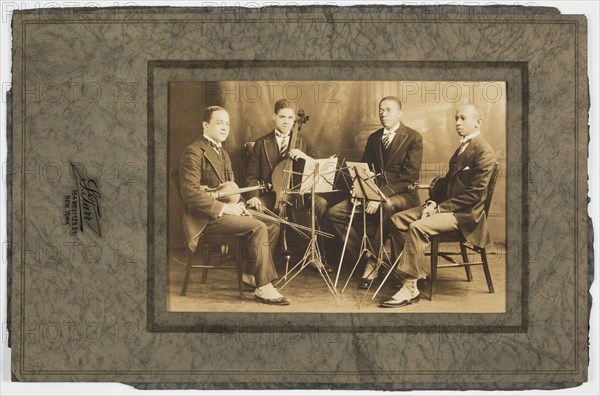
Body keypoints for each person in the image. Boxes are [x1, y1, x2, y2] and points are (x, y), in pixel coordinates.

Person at [380, 104, 496, 308]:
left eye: (462, 118)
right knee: (397, 220)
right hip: (446, 207)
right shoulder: (462, 148)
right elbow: (446, 183)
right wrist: (433, 201)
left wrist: (439, 209)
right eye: (456, 118)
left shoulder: (484, 150)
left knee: (416, 228)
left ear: (477, 122)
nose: (457, 123)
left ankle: (409, 288)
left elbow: (475, 194)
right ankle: (413, 274)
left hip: (465, 215)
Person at [179, 105, 291, 306]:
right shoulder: (193, 152)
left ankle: (250, 274)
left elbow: (231, 190)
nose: (225, 128)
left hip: (224, 214)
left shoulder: (224, 154)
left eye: (227, 123)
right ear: (205, 125)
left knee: (273, 223)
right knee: (257, 226)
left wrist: (242, 205)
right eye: (219, 123)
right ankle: (264, 287)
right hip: (205, 218)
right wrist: (226, 209)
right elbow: (190, 195)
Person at [327, 96, 423, 289]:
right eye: (381, 110)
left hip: (403, 195)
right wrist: (360, 190)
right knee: (334, 213)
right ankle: (365, 255)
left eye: (388, 110)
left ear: (399, 113)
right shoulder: (374, 138)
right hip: (374, 193)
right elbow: (365, 169)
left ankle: (374, 262)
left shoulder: (413, 138)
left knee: (386, 207)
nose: (383, 113)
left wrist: (380, 196)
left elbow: (409, 177)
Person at [245, 99, 332, 272]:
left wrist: (304, 156)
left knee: (320, 204)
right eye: (282, 117)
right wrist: (254, 197)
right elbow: (251, 176)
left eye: (290, 118)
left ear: (295, 120)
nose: (286, 121)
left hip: (299, 193)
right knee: (254, 210)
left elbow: (319, 167)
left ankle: (315, 254)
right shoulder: (262, 143)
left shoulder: (303, 141)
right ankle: (262, 264)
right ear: (274, 117)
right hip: (273, 195)